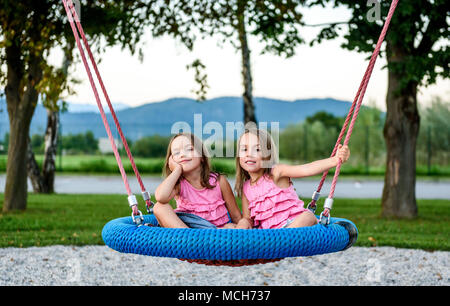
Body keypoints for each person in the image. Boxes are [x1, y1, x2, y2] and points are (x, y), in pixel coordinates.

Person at [234, 127, 350, 229]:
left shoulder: (276, 172)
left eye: (257, 149)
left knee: (308, 216)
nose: (249, 154)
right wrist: (243, 223)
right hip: (269, 234)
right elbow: (248, 218)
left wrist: (334, 160)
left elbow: (306, 169)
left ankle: (282, 242)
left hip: (293, 223)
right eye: (244, 149)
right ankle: (275, 246)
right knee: (242, 226)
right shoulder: (246, 188)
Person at [153, 132, 242, 228]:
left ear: (202, 156)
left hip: (216, 231)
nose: (182, 155)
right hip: (190, 229)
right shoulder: (179, 184)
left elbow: (236, 216)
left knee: (230, 226)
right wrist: (176, 170)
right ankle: (189, 238)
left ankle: (202, 237)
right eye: (176, 153)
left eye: (189, 149)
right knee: (159, 207)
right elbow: (160, 197)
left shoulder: (219, 181)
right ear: (171, 160)